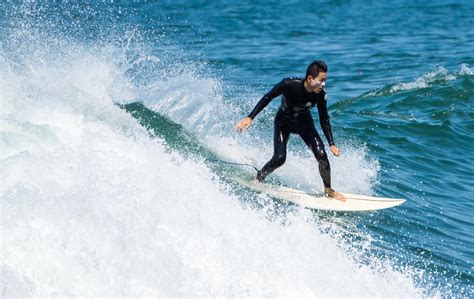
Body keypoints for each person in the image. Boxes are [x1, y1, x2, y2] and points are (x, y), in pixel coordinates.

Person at [235, 60, 346, 201]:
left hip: (304, 124)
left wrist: (331, 143)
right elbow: (268, 97)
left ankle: (328, 189)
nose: (324, 84)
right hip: (283, 123)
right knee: (279, 159)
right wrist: (250, 117)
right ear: (310, 78)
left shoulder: (320, 95)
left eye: (325, 80)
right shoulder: (289, 84)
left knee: (322, 156)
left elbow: (324, 118)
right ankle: (259, 177)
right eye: (321, 80)